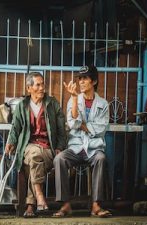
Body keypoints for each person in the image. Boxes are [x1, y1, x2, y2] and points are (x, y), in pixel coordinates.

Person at [53, 65, 112, 218]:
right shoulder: (74, 100)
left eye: (85, 78)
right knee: (59, 159)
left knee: (101, 158)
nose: (81, 82)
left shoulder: (103, 104)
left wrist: (82, 125)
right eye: (79, 78)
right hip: (76, 148)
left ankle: (96, 205)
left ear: (94, 81)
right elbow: (72, 123)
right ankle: (65, 205)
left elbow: (101, 129)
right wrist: (73, 98)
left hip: (94, 148)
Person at [5, 71, 66, 218]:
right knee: (33, 154)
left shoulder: (52, 103)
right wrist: (11, 142)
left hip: (48, 148)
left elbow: (61, 130)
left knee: (34, 160)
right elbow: (15, 128)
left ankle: (31, 205)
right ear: (29, 88)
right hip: (28, 147)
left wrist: (59, 147)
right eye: (38, 85)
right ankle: (39, 197)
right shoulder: (22, 106)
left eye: (43, 84)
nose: (42, 88)